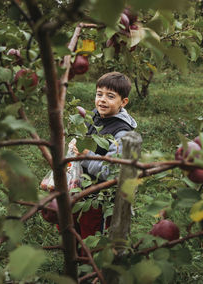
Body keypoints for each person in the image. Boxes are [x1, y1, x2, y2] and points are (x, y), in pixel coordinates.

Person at [72, 71, 137, 240]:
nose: (102, 99)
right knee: (70, 223)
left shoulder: (121, 132)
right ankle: (77, 257)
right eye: (99, 94)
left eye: (110, 96)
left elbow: (111, 171)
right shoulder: (94, 116)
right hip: (82, 187)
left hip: (101, 196)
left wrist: (85, 156)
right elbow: (82, 141)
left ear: (123, 102)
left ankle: (91, 263)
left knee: (92, 232)